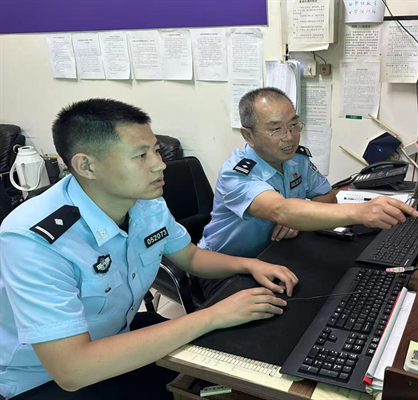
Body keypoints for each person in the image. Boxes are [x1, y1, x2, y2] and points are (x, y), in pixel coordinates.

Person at [0, 99, 298, 399]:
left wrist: (249, 265)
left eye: (155, 150)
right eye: (141, 155)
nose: (160, 164)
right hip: (41, 377)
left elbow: (190, 256)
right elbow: (72, 370)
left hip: (119, 334)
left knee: (229, 375)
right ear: (86, 166)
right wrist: (213, 315)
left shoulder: (146, 203)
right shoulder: (33, 239)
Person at [198, 88, 418, 298]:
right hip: (224, 268)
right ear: (249, 135)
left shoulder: (296, 159)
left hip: (275, 254)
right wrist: (361, 212)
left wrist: (296, 220)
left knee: (339, 282)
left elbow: (327, 197)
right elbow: (279, 209)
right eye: (276, 129)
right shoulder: (236, 174)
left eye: (294, 124)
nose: (290, 137)